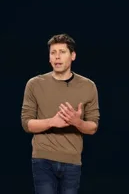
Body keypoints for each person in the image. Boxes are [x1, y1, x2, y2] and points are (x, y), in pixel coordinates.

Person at [21, 33, 100, 194]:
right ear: (49, 58)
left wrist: (77, 122)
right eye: (53, 53)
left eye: (62, 52)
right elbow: (26, 123)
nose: (57, 57)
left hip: (72, 161)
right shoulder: (34, 84)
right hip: (42, 159)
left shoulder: (88, 86)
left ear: (73, 56)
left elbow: (93, 127)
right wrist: (52, 122)